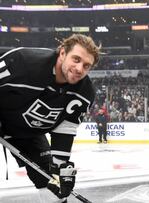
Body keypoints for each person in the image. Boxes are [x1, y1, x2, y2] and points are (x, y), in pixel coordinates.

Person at [0, 34, 100, 201]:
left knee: (53, 187)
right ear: (62, 53)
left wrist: (60, 169)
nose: (79, 68)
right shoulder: (23, 62)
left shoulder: (84, 93)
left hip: (30, 132)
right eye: (76, 59)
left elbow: (65, 129)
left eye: (86, 65)